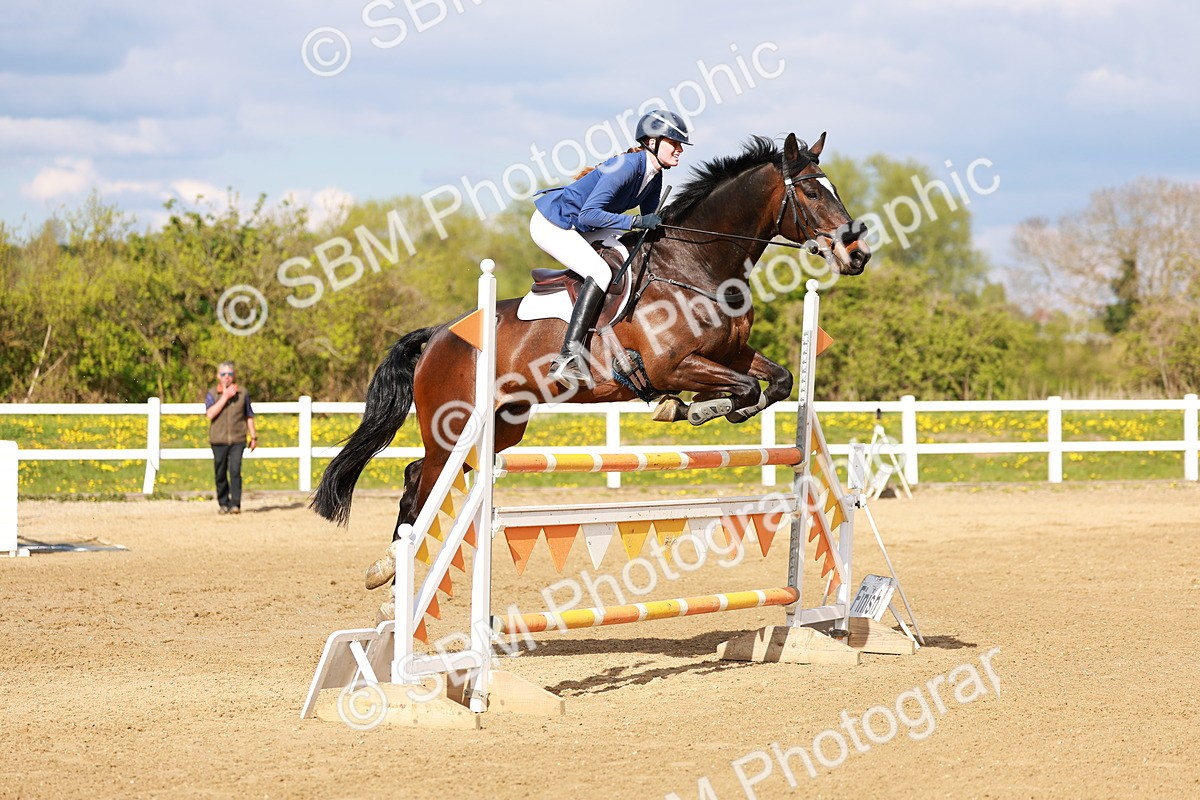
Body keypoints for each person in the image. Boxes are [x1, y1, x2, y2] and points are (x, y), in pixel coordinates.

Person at [531, 109, 691, 387]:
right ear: (652, 142)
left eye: (680, 145)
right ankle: (568, 356)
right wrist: (638, 220)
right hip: (555, 223)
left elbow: (650, 224)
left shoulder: (654, 174)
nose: (679, 150)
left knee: (632, 253)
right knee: (600, 272)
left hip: (584, 225)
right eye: (673, 143)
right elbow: (589, 215)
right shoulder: (628, 166)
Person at [205, 361, 257, 514]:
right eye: (223, 374)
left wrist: (253, 436)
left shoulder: (243, 393)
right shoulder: (212, 393)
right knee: (220, 472)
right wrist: (225, 396)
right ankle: (223, 503)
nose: (227, 377)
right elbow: (210, 414)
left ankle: (235, 504)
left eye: (230, 374)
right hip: (218, 440)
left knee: (235, 470)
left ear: (234, 376)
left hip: (237, 439)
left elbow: (249, 415)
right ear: (218, 376)